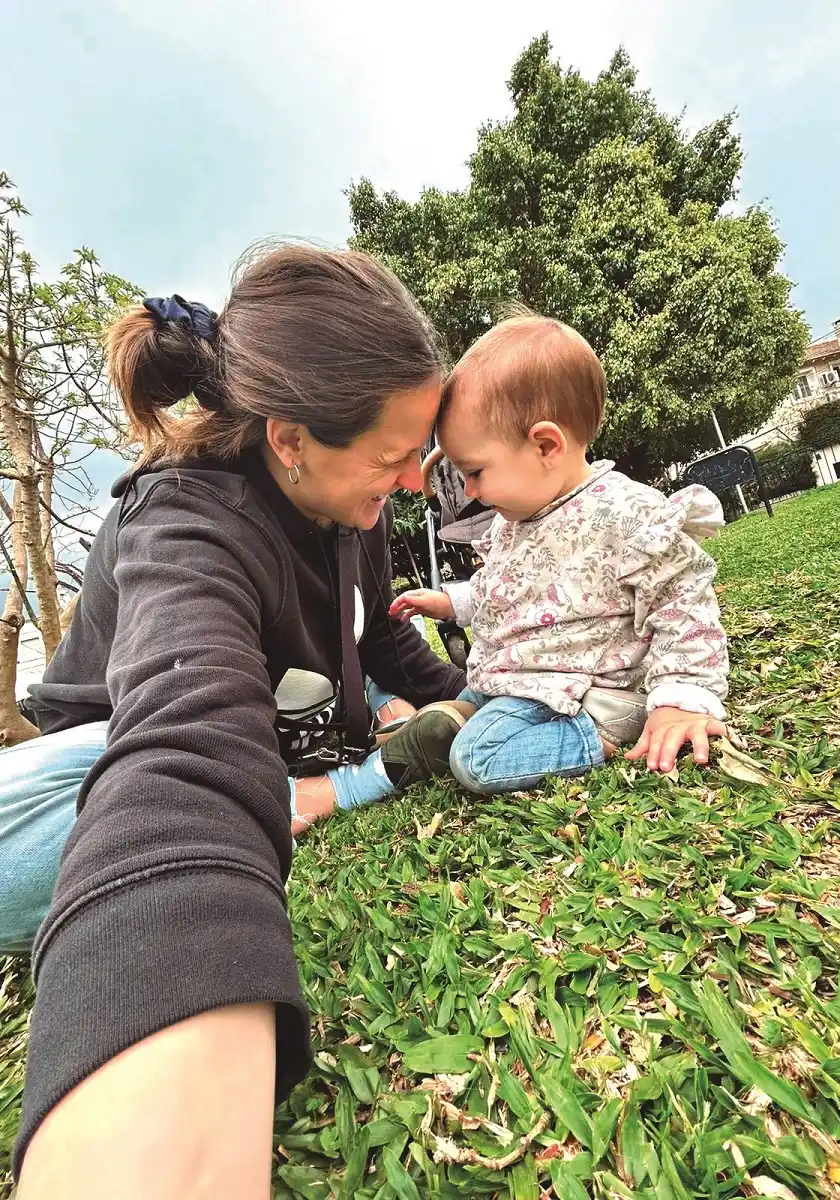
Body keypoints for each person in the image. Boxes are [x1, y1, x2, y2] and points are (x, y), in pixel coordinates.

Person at [4, 243, 473, 1197]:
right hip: (84, 780)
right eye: (392, 459)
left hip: (254, 747)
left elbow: (380, 643)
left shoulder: (354, 511)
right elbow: (184, 746)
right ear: (291, 439)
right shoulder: (183, 520)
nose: (416, 483)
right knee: (225, 763)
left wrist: (476, 695)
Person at [390, 310, 730, 794]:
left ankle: (605, 730)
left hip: (578, 684)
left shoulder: (623, 512)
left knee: (476, 759)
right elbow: (508, 588)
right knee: (469, 704)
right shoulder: (515, 519)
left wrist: (682, 698)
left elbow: (682, 602)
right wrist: (452, 603)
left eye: (476, 471)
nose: (467, 488)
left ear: (546, 445)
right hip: (523, 678)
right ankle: (465, 716)